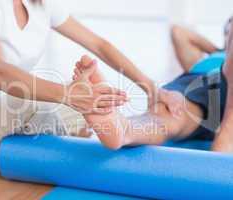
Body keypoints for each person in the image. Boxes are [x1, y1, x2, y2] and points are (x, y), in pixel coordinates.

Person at [0, 0, 162, 168]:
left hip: (11, 125)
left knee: (69, 98)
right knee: (31, 99)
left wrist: (152, 89)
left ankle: (105, 126)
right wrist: (68, 95)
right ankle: (76, 126)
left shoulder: (41, 5)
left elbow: (100, 45)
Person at [73, 17, 233, 152]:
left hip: (222, 85)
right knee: (167, 113)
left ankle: (116, 130)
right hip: (200, 84)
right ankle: (123, 129)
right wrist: (220, 49)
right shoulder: (208, 59)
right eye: (227, 31)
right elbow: (179, 32)